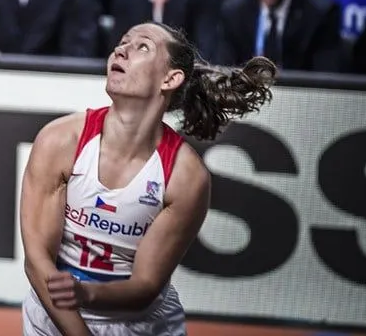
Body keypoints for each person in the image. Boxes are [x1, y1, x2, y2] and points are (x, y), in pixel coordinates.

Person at [20, 22, 275, 336]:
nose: (121, 50)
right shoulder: (60, 140)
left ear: (170, 79)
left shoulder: (185, 176)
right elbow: (37, 262)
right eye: (122, 41)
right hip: (54, 315)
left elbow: (145, 286)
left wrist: (86, 293)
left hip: (139, 324)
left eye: (142, 46)